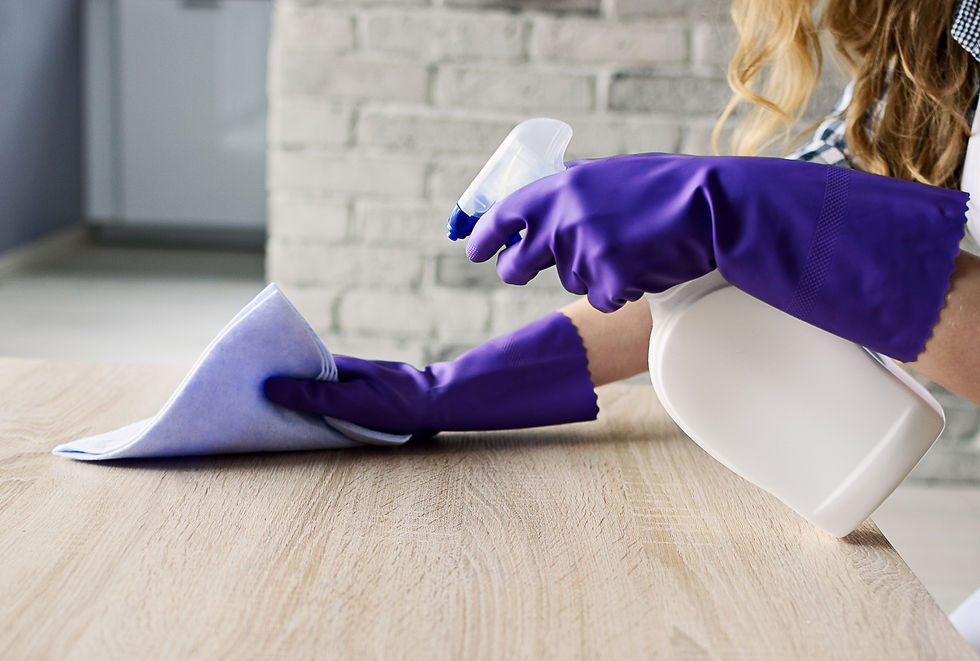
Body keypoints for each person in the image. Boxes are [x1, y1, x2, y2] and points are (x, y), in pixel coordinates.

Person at [264, 0, 980, 648]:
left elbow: (795, 238)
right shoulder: (934, 45)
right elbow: (767, 257)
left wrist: (732, 211)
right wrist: (453, 387)